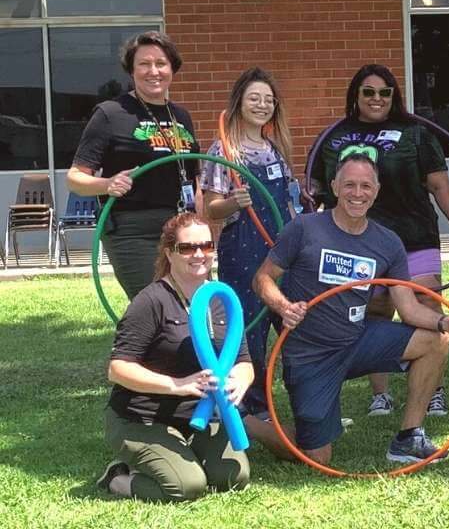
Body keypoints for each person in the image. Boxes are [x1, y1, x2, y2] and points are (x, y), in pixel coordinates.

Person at [249, 153, 449, 464]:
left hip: (356, 339)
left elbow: (409, 309)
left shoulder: (387, 242)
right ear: (336, 187)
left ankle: (409, 438)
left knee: (435, 341)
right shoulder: (305, 228)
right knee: (315, 456)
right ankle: (247, 423)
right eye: (349, 184)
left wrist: (446, 322)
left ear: (376, 191)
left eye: (366, 186)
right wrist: (284, 306)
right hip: (310, 353)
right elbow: (262, 278)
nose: (357, 193)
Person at [308, 64, 449, 419]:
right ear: (355, 96)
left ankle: (433, 390)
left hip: (414, 236)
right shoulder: (334, 136)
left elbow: (439, 185)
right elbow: (317, 191)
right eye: (368, 92)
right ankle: (381, 395)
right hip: (357, 242)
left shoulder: (416, 133)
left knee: (425, 307)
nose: (377, 98)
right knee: (373, 312)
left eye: (384, 92)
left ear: (394, 96)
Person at [98, 212, 252, 501]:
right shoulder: (151, 301)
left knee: (233, 477)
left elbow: (243, 361)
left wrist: (240, 382)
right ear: (169, 253)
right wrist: (176, 385)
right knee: (186, 487)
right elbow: (117, 369)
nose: (199, 254)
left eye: (206, 246)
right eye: (187, 248)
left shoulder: (221, 299)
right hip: (143, 417)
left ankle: (184, 452)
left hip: (200, 418)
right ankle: (117, 478)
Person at [68, 31, 200, 299]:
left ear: (172, 68)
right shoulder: (110, 113)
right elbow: (75, 179)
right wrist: (108, 184)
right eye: (144, 64)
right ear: (131, 70)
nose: (154, 71)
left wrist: (200, 224)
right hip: (131, 230)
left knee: (191, 303)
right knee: (156, 303)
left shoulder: (181, 116)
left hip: (179, 227)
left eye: (161, 63)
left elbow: (193, 178)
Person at [201, 67, 297, 419]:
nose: (262, 105)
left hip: (279, 249)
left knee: (290, 326)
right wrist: (233, 202)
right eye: (255, 98)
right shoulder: (224, 150)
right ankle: (252, 408)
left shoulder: (275, 149)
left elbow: (288, 202)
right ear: (239, 102)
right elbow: (210, 208)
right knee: (249, 330)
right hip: (242, 250)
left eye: (269, 100)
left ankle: (304, 401)